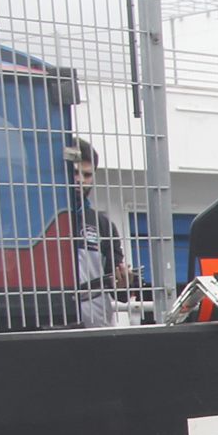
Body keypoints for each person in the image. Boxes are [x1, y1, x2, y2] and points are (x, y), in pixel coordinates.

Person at [67, 139, 134, 327]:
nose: (80, 180)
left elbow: (120, 293)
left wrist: (124, 282)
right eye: (75, 172)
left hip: (95, 328)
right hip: (51, 326)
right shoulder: (39, 220)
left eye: (87, 174)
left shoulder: (103, 225)